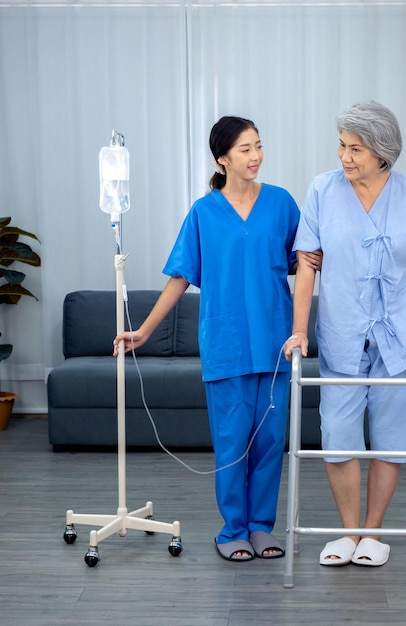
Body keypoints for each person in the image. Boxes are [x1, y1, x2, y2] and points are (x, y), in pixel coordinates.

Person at [114, 116, 321, 562]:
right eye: (245, 149)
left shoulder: (282, 204)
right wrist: (145, 330)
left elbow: (302, 261)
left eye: (259, 146)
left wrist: (317, 256)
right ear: (221, 159)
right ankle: (232, 531)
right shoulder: (204, 213)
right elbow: (180, 277)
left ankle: (261, 527)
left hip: (275, 341)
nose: (256, 157)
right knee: (232, 441)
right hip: (227, 343)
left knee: (269, 442)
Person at [284, 101, 406, 567]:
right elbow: (306, 266)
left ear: (382, 152)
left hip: (400, 336)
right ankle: (348, 531)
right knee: (338, 433)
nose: (345, 157)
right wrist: (300, 331)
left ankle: (373, 533)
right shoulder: (322, 190)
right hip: (341, 331)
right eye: (342, 145)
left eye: (355, 148)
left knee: (392, 433)